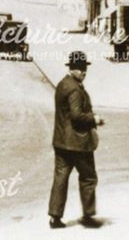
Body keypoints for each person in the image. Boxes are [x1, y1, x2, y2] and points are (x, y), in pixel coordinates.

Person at [49, 51, 105, 230]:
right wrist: (94, 119)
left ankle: (55, 217)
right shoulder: (75, 88)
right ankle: (88, 216)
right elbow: (76, 115)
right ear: (72, 69)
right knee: (88, 177)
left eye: (85, 68)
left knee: (61, 178)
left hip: (61, 142)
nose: (83, 72)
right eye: (80, 69)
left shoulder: (62, 84)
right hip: (78, 143)